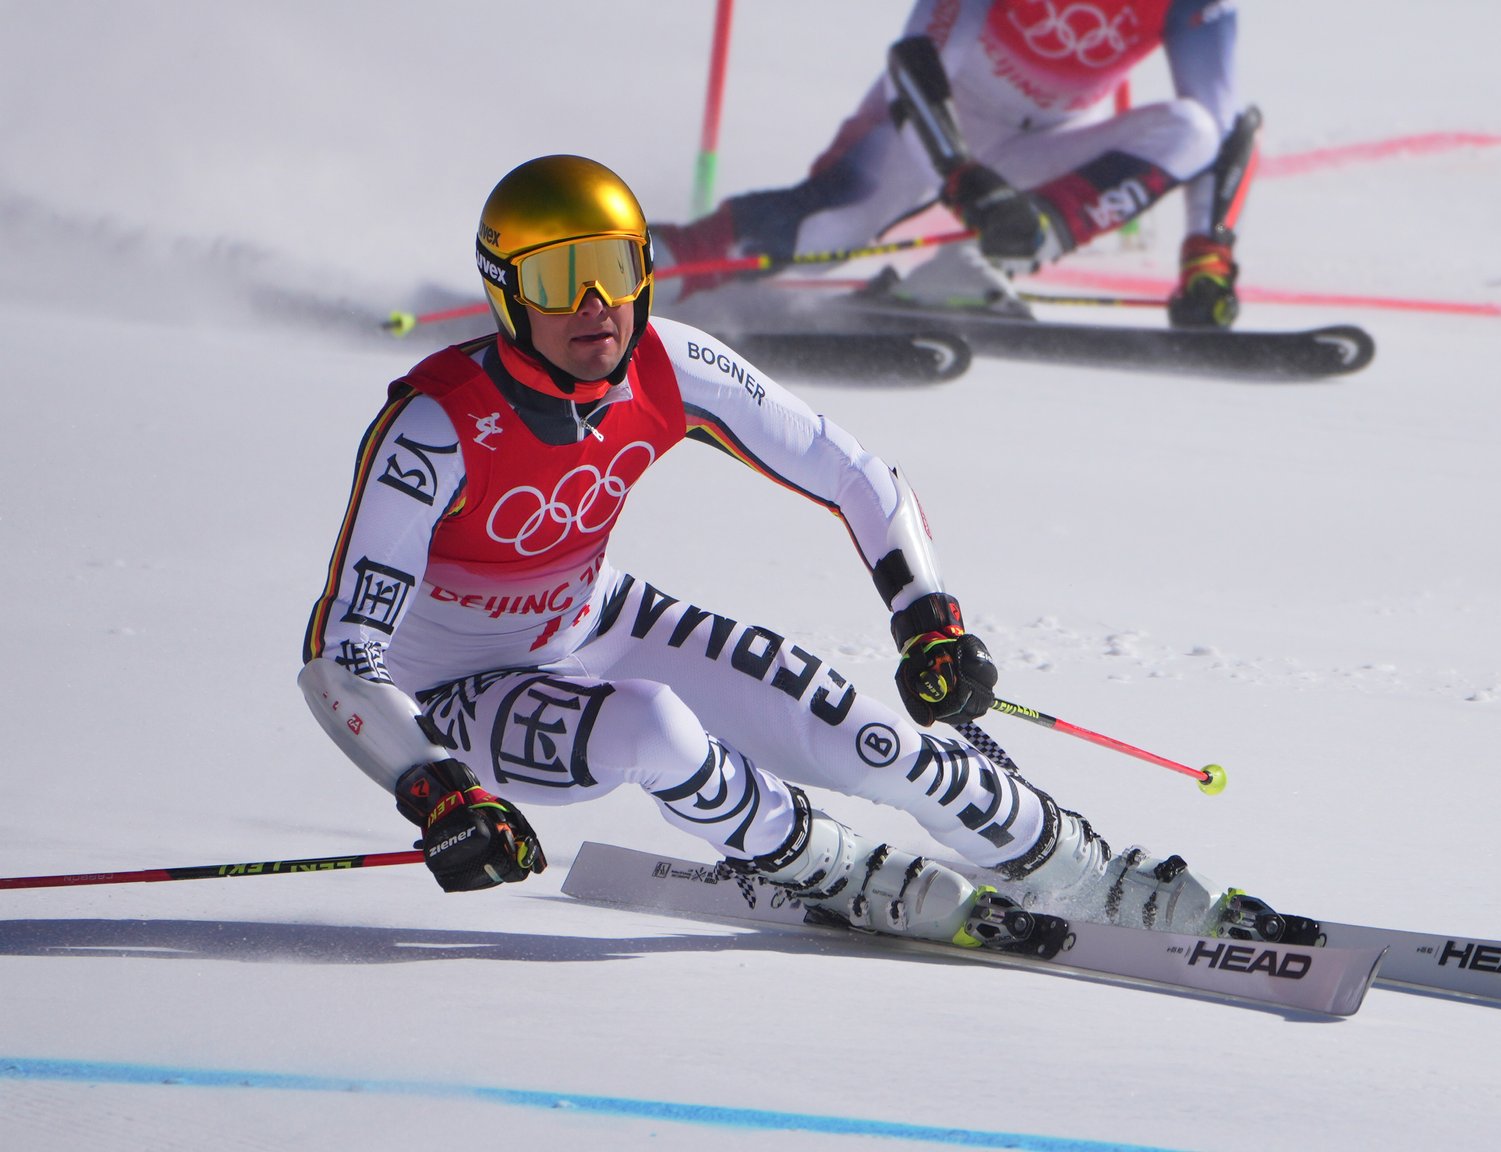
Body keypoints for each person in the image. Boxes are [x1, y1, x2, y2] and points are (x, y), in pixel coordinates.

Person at [300, 154, 1290, 951]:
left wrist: (927, 624)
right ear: (506, 292)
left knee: (876, 740)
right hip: (458, 696)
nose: (595, 304)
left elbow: (855, 474)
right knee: (650, 725)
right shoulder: (436, 427)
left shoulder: (668, 362)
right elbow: (340, 658)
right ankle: (819, 863)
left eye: (614, 268)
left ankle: (1080, 870)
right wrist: (435, 788)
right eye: (561, 279)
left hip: (598, 620)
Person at [655, 0, 1256, 329]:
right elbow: (917, 61)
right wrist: (963, 177)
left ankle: (982, 260)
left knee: (1194, 128)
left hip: (1046, 143)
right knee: (830, 234)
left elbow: (1218, 130)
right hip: (932, 119)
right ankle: (664, 262)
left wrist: (1209, 257)